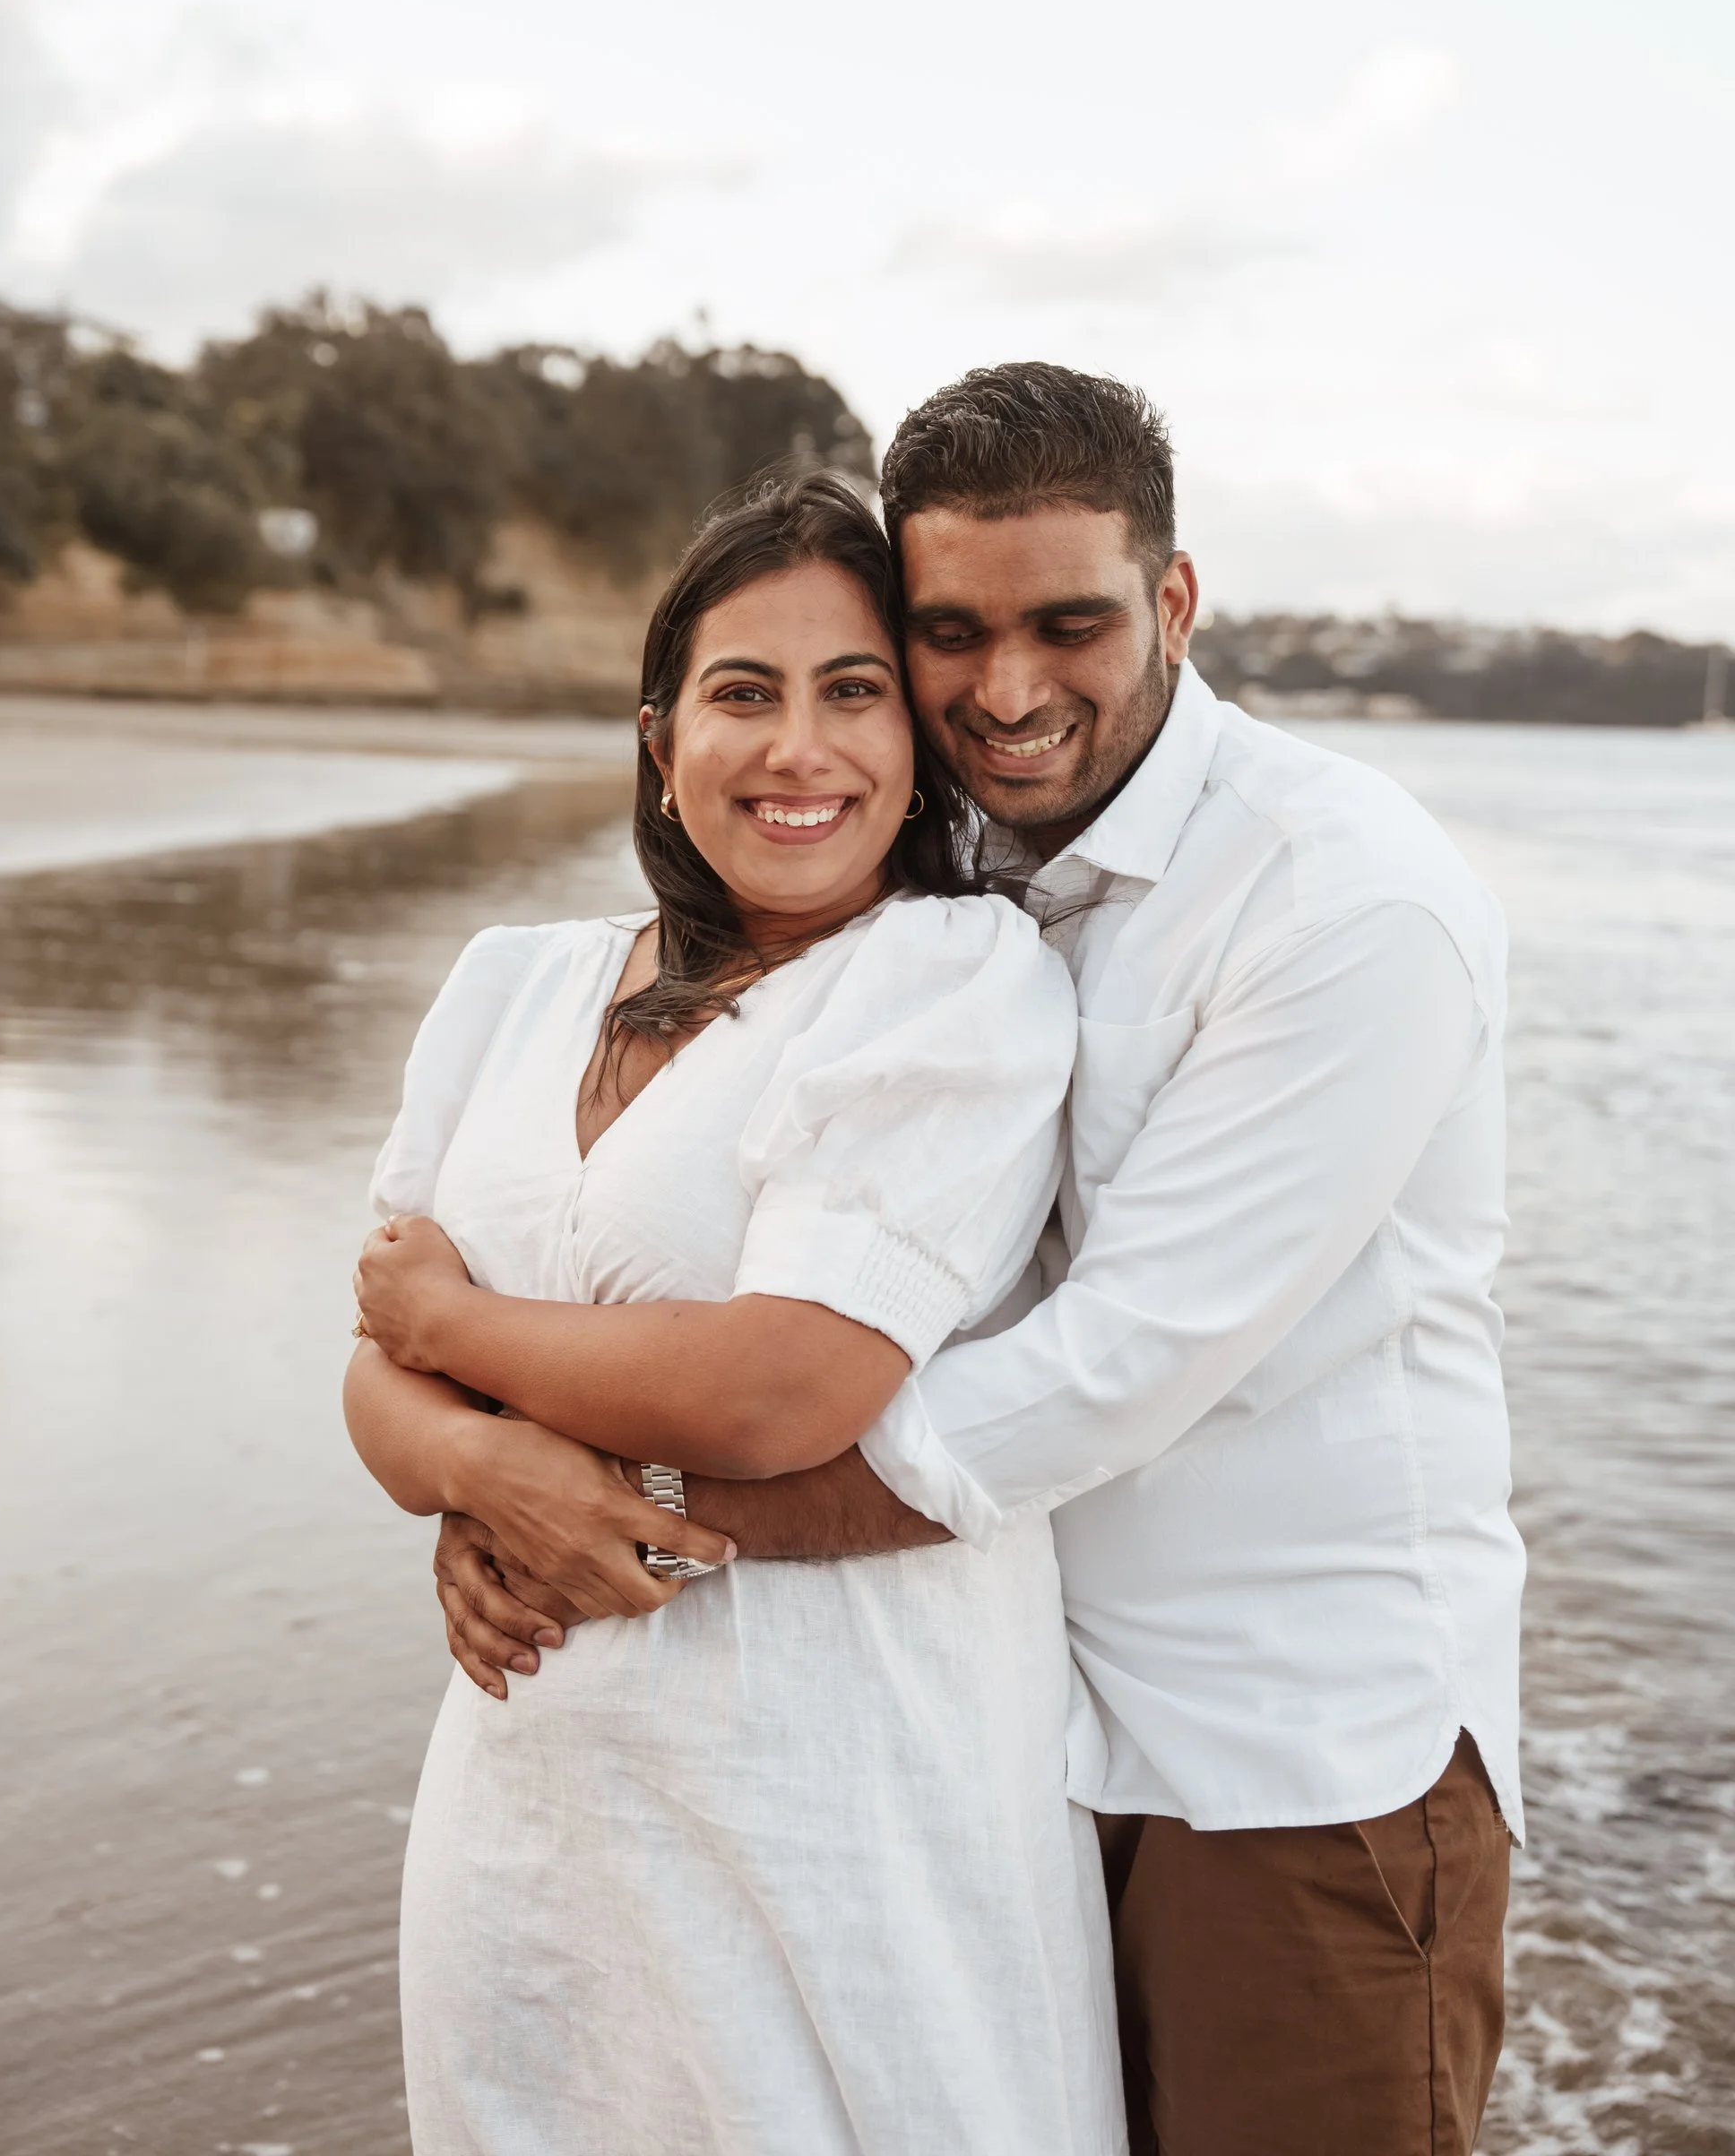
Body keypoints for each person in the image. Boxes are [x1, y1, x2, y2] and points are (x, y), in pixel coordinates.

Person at [434, 363, 1526, 2156]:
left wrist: (581, 1509)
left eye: (1070, 625)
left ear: (1173, 602)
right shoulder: (949, 855)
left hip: (1285, 1760)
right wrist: (486, 1477)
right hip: (993, 1731)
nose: (1006, 691)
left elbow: (1106, 1369)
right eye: (950, 632)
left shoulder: (1346, 903)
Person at [343, 470, 1126, 2156]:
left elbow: (783, 1388)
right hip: (535, 1784)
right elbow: (371, 1391)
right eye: (743, 694)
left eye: (854, 693)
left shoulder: (950, 983)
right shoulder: (513, 983)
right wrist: (490, 1480)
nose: (802, 750)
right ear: (657, 733)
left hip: (836, 1789)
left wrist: (463, 1346)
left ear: (913, 745)